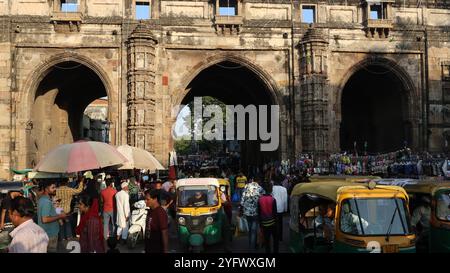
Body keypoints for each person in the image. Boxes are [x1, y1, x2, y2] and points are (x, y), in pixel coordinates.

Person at [37, 181, 67, 252]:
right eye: (52, 187)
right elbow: (45, 219)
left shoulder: (45, 200)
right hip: (49, 234)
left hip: (49, 233)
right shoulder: (46, 202)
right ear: (46, 189)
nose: (55, 189)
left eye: (55, 187)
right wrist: (60, 216)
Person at [239, 176, 264, 250]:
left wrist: (241, 208)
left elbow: (242, 198)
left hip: (246, 212)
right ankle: (252, 247)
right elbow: (262, 199)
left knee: (250, 229)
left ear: (253, 180)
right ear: (258, 180)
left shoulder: (246, 186)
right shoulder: (260, 188)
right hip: (255, 212)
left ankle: (251, 244)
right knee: (254, 230)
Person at [258, 182, 278, 253]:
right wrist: (276, 223)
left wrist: (260, 224)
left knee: (267, 241)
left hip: (264, 223)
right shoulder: (273, 199)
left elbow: (259, 213)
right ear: (271, 190)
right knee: (275, 239)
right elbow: (275, 213)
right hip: (273, 223)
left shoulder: (260, 199)